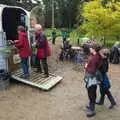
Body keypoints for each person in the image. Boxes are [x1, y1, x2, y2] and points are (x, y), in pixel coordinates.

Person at [84, 43, 102, 117]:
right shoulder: (95, 55)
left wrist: (86, 67)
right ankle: (91, 106)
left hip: (92, 78)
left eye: (90, 48)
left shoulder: (96, 57)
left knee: (92, 93)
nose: (89, 49)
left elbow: (93, 70)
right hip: (91, 77)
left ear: (94, 49)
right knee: (90, 91)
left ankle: (92, 110)